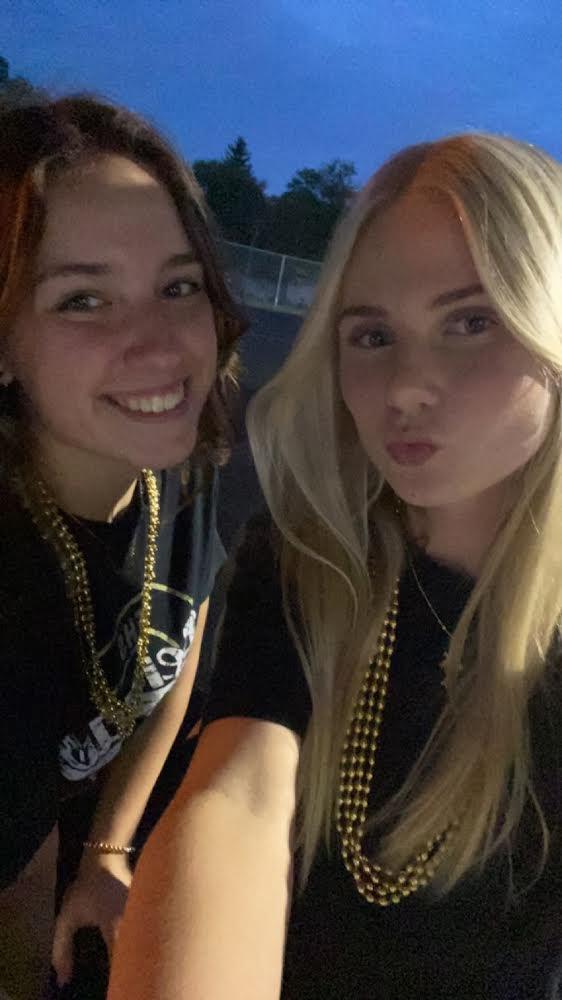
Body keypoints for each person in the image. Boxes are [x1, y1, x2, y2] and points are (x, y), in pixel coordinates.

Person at [110, 132, 562, 999]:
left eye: (471, 322)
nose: (406, 386)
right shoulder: (308, 561)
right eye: (372, 335)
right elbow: (237, 797)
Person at [0, 95, 244, 994]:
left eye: (178, 286)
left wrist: (108, 845)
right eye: (83, 299)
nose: (159, 345)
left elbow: (178, 647)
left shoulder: (174, 460)